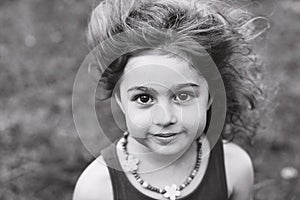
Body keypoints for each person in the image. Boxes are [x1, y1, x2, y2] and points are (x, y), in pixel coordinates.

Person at [73, 0, 269, 199]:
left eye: (183, 96)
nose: (165, 118)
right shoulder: (97, 189)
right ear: (120, 100)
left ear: (210, 95)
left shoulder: (234, 168)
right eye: (144, 98)